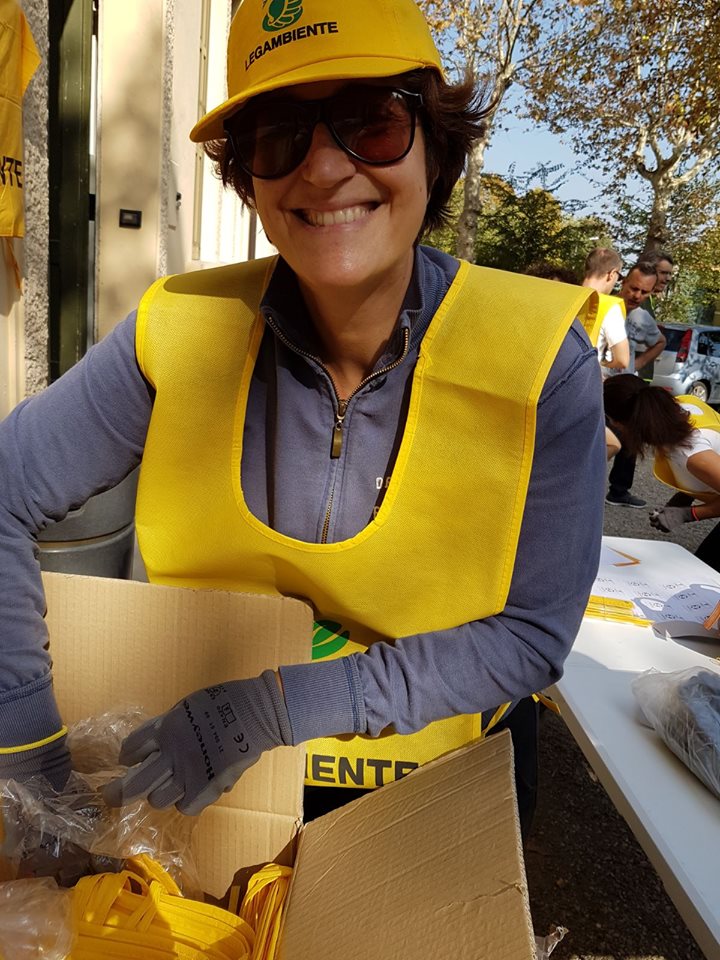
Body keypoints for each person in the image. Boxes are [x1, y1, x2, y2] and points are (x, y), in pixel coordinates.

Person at [0, 0, 605, 839]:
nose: (322, 169)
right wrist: (28, 749)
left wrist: (281, 704)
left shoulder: (540, 362)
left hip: (433, 786)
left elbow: (533, 635)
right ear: (246, 176)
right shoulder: (178, 332)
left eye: (372, 122)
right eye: (279, 135)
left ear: (436, 148)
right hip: (204, 781)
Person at [603, 374, 720, 571]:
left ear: (622, 424)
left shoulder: (690, 454)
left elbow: (701, 458)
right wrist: (685, 495)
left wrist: (690, 514)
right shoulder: (679, 406)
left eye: (609, 420)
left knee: (707, 573)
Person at [605, 261, 666, 508]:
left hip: (623, 386)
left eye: (644, 292)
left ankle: (619, 491)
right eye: (634, 288)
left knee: (632, 434)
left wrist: (637, 363)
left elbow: (660, 342)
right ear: (624, 282)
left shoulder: (642, 317)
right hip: (597, 382)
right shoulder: (605, 306)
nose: (637, 296)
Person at [581, 247, 629, 376]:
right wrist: (601, 366)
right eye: (618, 277)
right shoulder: (609, 307)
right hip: (584, 378)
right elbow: (622, 360)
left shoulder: (566, 295)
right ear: (612, 274)